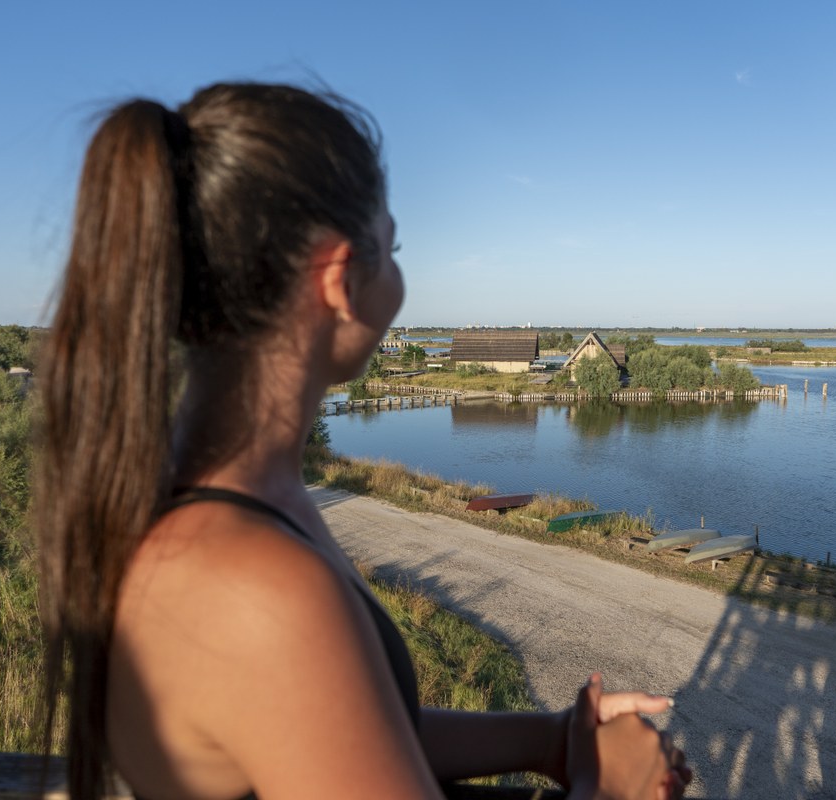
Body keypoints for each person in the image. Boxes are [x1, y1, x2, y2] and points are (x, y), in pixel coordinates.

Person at [34, 82, 690, 800]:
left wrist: (553, 739)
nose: (402, 277)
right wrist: (609, 783)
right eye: (394, 247)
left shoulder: (228, 499)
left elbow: (326, 728)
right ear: (342, 277)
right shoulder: (253, 583)